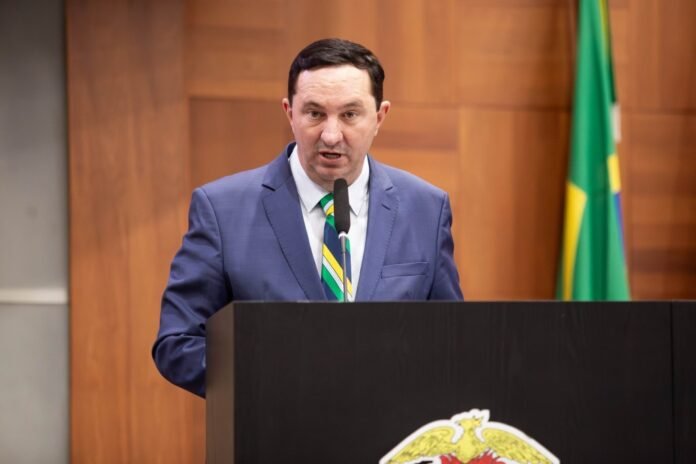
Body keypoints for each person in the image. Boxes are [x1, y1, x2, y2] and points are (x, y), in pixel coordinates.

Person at [153, 38, 463, 397]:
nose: (331, 135)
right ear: (290, 112)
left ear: (380, 117)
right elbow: (177, 342)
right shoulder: (222, 209)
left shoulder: (426, 209)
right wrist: (272, 380)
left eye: (350, 114)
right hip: (272, 423)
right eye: (315, 113)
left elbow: (454, 341)